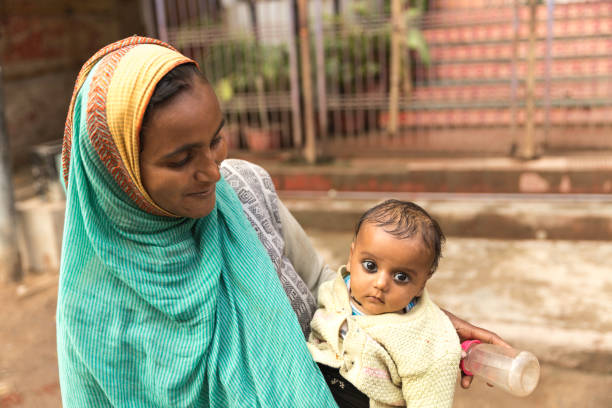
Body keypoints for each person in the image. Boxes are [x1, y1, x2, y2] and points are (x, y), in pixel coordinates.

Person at [56, 36, 508, 407]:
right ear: (118, 172)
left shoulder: (245, 191)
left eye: (215, 139)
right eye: (180, 159)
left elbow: (319, 283)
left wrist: (413, 319)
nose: (214, 171)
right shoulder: (93, 311)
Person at [308, 200, 461, 407]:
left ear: (422, 283)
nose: (380, 284)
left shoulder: (422, 338)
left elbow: (430, 395)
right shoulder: (335, 291)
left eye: (401, 277)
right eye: (370, 266)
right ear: (352, 257)